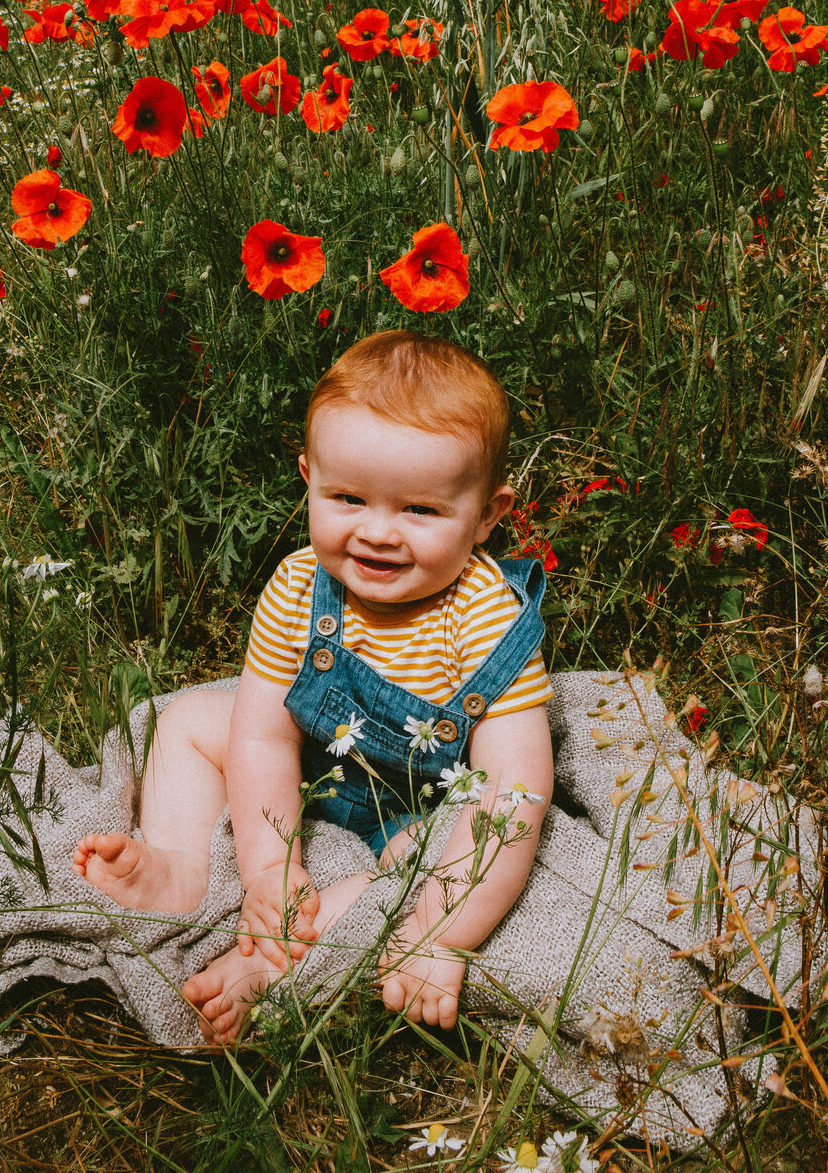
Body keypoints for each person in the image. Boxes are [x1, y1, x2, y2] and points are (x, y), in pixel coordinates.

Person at [72, 330, 554, 1041]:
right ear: (309, 478)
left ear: (487, 514)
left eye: (420, 510)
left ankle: (277, 963)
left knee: (426, 867)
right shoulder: (301, 585)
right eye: (349, 498)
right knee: (188, 721)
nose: (379, 533)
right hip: (317, 764)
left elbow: (513, 794)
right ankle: (180, 869)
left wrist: (444, 933)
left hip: (418, 804)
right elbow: (264, 734)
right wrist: (273, 866)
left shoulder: (485, 614)